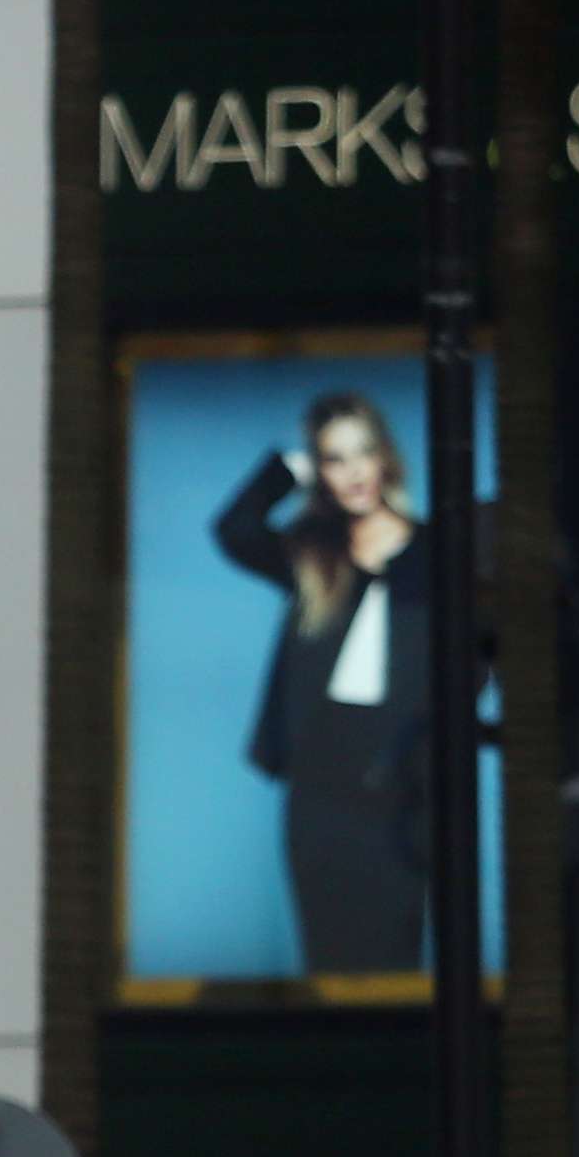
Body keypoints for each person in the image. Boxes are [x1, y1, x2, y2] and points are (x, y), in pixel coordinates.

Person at [216, 388, 438, 977]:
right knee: (329, 964)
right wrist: (292, 468)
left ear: (386, 457)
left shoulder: (439, 551)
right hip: (318, 792)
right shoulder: (313, 552)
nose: (353, 472)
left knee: (394, 965)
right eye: (335, 459)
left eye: (363, 453)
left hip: (399, 790)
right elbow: (234, 530)